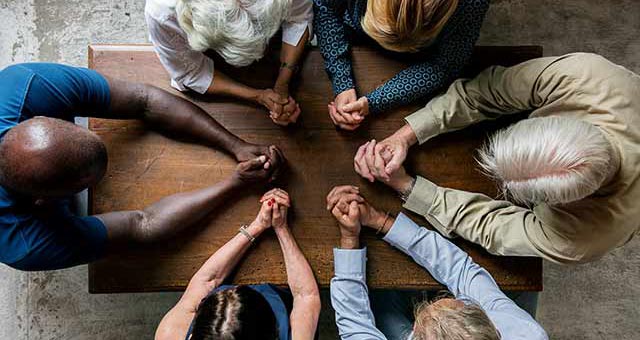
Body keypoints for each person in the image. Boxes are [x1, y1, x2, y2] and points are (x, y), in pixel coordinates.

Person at [353, 53, 640, 264]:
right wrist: (406, 134)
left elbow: (491, 227)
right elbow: (488, 92)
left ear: (563, 204)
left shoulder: (582, 240)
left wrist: (407, 187)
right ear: (551, 121)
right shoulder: (587, 75)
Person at [0, 62, 286, 271]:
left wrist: (235, 145)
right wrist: (234, 184)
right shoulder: (22, 243)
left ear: (43, 118)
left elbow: (144, 100)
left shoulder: (23, 87)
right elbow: (142, 224)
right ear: (42, 201)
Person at [325, 185, 548, 340]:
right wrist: (379, 220)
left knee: (380, 303)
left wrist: (349, 238)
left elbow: (354, 321)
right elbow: (461, 271)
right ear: (494, 330)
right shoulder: (524, 333)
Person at [155, 188, 320, 340]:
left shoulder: (170, 334)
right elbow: (305, 296)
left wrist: (258, 225)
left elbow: (208, 280)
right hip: (276, 304)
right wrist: (281, 228)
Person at [313, 0, 489, 130]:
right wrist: (342, 80)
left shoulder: (472, 4)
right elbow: (325, 7)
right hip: (352, 27)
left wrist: (374, 101)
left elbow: (445, 65)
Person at [145, 0, 313, 126]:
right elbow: (191, 72)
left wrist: (283, 83)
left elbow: (299, 17)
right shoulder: (161, 11)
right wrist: (258, 96)